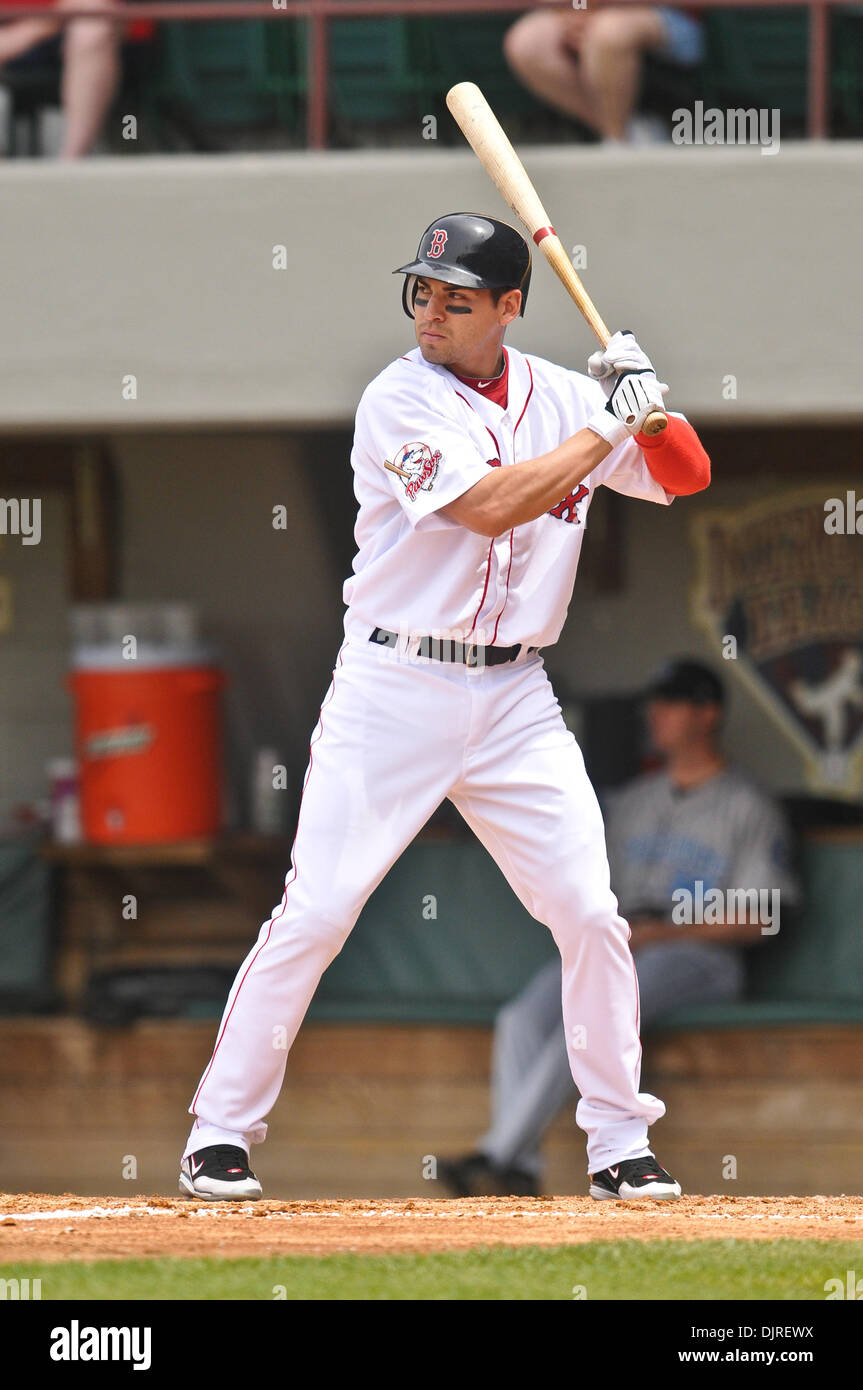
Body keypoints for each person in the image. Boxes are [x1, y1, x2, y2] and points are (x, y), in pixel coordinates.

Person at [178, 212, 712, 1204]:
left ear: (508, 307)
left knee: (590, 913)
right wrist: (605, 424)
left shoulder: (563, 392)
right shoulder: (397, 399)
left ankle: (615, 1143)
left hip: (514, 692)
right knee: (320, 910)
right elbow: (488, 507)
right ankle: (219, 1131)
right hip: (395, 684)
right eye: (422, 290)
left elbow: (685, 478)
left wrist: (649, 407)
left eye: (456, 296)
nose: (430, 309)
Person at [439, 658, 799, 1198]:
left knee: (588, 1019)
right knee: (521, 1017)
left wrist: (665, 932)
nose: (656, 712)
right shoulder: (630, 802)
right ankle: (519, 1169)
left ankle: (497, 1152)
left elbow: (762, 916)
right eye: (654, 701)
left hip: (702, 960)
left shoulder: (748, 805)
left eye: (672, 701)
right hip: (629, 945)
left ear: (708, 713)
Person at [503, 4, 705, 145]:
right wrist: (571, 12)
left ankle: (618, 146)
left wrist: (593, 13)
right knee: (528, 42)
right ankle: (632, 133)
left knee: (608, 31)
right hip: (587, 11)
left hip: (672, 14)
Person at [0, 0, 122, 158]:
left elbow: (93, 5)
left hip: (82, 33)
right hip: (17, 33)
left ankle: (70, 168)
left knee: (92, 28)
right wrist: (37, 28)